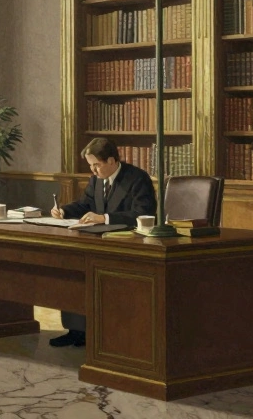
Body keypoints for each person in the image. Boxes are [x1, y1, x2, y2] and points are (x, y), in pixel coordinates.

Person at [47, 137, 157, 348]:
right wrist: (64, 211)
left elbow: (143, 214)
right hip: (96, 240)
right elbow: (84, 204)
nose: (93, 170)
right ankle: (77, 331)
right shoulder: (96, 179)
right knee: (73, 272)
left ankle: (105, 334)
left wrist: (104, 218)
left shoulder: (137, 179)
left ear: (112, 161)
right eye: (90, 166)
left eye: (96, 165)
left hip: (127, 244)